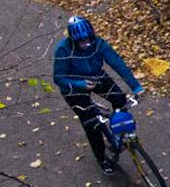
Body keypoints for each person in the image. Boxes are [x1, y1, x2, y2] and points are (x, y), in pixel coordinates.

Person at [51, 12, 142, 169]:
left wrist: (135, 86)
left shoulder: (98, 43)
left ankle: (117, 135)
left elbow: (117, 63)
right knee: (91, 124)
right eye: (81, 42)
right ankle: (102, 159)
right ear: (73, 40)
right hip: (74, 87)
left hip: (96, 77)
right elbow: (59, 79)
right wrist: (80, 84)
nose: (86, 44)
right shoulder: (63, 50)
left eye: (88, 40)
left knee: (120, 100)